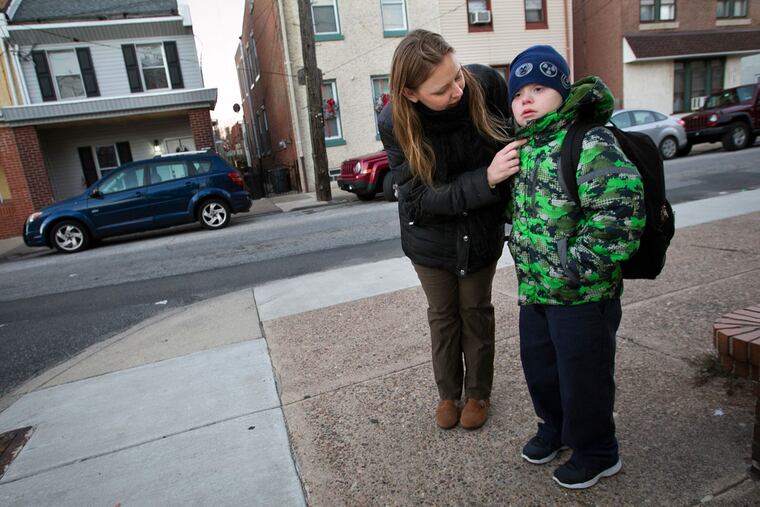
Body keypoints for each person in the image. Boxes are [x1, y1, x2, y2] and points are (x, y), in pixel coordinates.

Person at [506, 45, 646, 489]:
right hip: (537, 291)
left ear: (562, 92)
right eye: (517, 93)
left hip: (583, 293)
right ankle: (556, 429)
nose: (525, 99)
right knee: (543, 370)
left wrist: (575, 265)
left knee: (584, 378)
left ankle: (599, 451)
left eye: (538, 88)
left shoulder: (587, 139)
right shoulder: (527, 147)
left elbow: (620, 209)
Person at [378, 29, 525, 431]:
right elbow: (418, 198)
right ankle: (448, 394)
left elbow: (519, 146)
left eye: (457, 75)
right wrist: (487, 179)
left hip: (479, 229)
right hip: (428, 236)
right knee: (443, 317)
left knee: (476, 312)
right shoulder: (395, 121)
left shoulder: (486, 86)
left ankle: (478, 393)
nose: (457, 90)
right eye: (441, 89)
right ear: (410, 93)